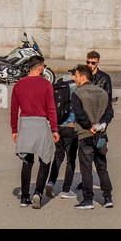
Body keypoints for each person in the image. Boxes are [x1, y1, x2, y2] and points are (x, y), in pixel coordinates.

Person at [10, 56, 59, 209]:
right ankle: (38, 192)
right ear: (39, 68)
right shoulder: (46, 84)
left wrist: (14, 130)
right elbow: (51, 109)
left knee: (27, 161)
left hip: (25, 124)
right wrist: (54, 129)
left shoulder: (19, 84)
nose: (44, 68)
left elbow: (14, 110)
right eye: (43, 66)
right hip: (40, 124)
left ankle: (24, 197)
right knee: (45, 159)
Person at [70, 63, 113, 209]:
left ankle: (88, 200)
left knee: (86, 168)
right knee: (102, 167)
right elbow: (109, 113)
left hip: (86, 135)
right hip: (101, 134)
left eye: (76, 76)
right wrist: (102, 124)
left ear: (83, 77)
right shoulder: (103, 93)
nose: (74, 78)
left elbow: (79, 113)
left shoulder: (77, 93)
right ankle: (108, 198)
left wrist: (89, 126)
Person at [45, 71, 78, 199]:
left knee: (58, 156)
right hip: (70, 126)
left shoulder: (58, 84)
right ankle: (66, 189)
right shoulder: (75, 86)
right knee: (71, 159)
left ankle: (51, 182)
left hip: (56, 126)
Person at [84, 51, 115, 125]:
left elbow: (108, 98)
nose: (90, 65)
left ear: (98, 63)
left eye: (93, 63)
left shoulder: (104, 77)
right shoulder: (83, 76)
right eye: (88, 62)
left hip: (99, 112)